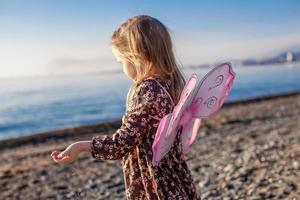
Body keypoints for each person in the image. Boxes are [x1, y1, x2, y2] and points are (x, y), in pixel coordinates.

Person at [51, 15, 200, 200]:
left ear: (137, 56)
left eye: (122, 62)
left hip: (154, 181)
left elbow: (122, 144)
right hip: (173, 173)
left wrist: (81, 146)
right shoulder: (174, 84)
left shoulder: (147, 89)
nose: (122, 68)